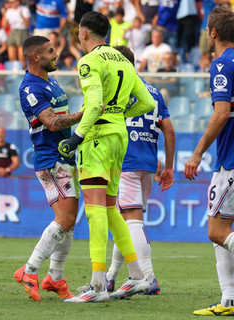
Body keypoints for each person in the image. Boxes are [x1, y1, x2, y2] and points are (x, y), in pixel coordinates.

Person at [58, 11, 156, 302]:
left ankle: (98, 284)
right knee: (111, 208)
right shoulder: (123, 59)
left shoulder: (88, 61)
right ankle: (138, 276)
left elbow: (95, 102)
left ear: (84, 33)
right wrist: (118, 115)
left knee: (94, 208)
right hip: (119, 137)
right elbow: (147, 102)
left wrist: (76, 137)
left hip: (98, 138)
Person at [14, 35, 83, 301]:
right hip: (50, 158)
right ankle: (29, 270)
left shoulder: (50, 81)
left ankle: (55, 278)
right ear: (35, 57)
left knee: (69, 223)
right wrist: (86, 114)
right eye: (50, 51)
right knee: (65, 219)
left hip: (64, 157)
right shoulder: (30, 87)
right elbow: (52, 122)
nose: (55, 54)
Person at [105, 46, 175, 296]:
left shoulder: (119, 88)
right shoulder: (154, 91)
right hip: (147, 163)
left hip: (125, 161)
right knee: (126, 221)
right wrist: (168, 167)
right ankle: (110, 277)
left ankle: (148, 278)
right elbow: (169, 130)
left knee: (132, 221)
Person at [183, 5, 234, 316]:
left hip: (231, 159)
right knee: (225, 228)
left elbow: (221, 113)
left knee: (216, 230)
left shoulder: (221, 64)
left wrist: (198, 151)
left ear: (213, 33)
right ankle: (229, 299)